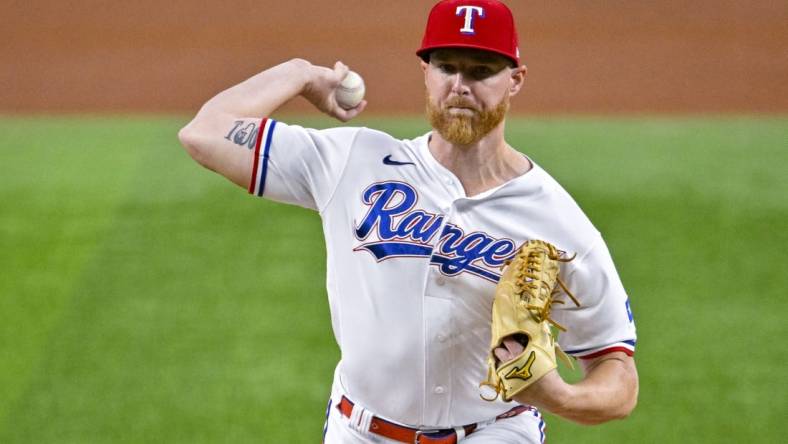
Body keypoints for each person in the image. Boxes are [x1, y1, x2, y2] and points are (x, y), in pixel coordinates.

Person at [178, 0, 638, 442]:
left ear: (515, 80)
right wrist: (299, 73)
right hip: (359, 431)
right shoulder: (353, 161)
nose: (461, 84)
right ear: (426, 71)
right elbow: (203, 133)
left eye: (481, 71)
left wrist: (558, 396)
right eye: (447, 67)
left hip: (495, 432)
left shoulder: (556, 220)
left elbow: (617, 374)